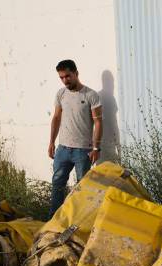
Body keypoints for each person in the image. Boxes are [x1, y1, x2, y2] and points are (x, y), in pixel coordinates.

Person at [48, 59, 102, 218]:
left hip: (82, 151)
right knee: (57, 185)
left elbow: (98, 121)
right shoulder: (61, 94)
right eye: (62, 77)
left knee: (82, 188)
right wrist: (51, 142)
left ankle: (79, 220)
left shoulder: (91, 95)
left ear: (76, 73)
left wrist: (96, 148)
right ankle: (54, 219)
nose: (65, 80)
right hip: (62, 149)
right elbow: (56, 117)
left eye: (68, 76)